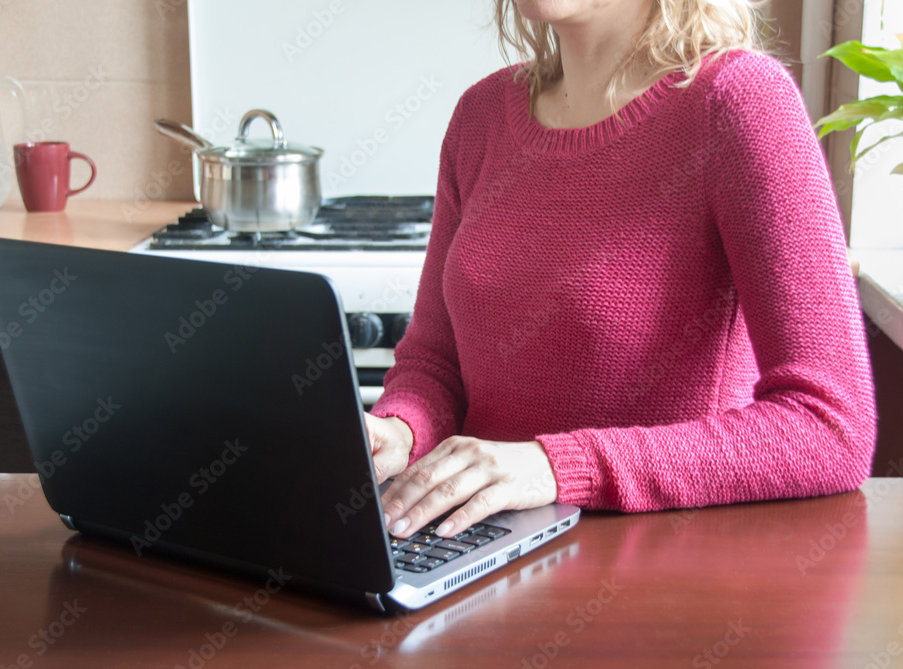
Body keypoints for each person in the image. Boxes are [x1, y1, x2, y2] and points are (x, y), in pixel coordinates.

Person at [365, 0, 876, 540]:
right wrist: (399, 431)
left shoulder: (739, 101)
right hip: (471, 558)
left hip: (661, 574)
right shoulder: (482, 115)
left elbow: (830, 427)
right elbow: (433, 366)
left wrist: (558, 467)